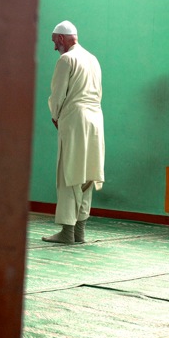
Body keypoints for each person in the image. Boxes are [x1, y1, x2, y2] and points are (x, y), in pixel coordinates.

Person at [42, 20, 105, 244]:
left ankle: (67, 232)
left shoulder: (66, 59)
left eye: (54, 42)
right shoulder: (93, 59)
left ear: (61, 38)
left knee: (68, 174)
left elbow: (58, 94)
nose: (53, 47)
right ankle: (80, 231)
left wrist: (55, 115)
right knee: (86, 174)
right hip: (95, 120)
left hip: (75, 119)